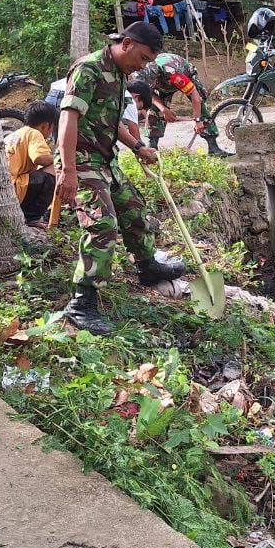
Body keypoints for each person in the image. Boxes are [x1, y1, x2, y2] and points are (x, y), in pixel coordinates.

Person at [55, 21, 186, 335]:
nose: (143, 66)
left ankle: (147, 266)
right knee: (102, 225)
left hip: (104, 159)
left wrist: (139, 147)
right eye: (142, 58)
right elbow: (67, 119)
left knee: (133, 209)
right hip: (81, 160)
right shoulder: (89, 69)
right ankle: (81, 304)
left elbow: (112, 123)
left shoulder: (119, 73)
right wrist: (68, 170)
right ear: (126, 44)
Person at [141, 51, 231, 157]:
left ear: (157, 76)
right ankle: (152, 148)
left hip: (184, 75)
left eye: (152, 82)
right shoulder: (142, 72)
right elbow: (149, 92)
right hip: (164, 84)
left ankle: (213, 147)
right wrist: (163, 109)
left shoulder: (174, 75)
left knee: (201, 105)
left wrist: (198, 120)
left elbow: (194, 94)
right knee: (154, 110)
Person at [5, 101, 58, 227]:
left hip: (6, 188)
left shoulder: (17, 134)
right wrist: (61, 157)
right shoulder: (34, 133)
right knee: (56, 167)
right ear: (46, 126)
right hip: (14, 189)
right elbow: (39, 158)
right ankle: (31, 216)